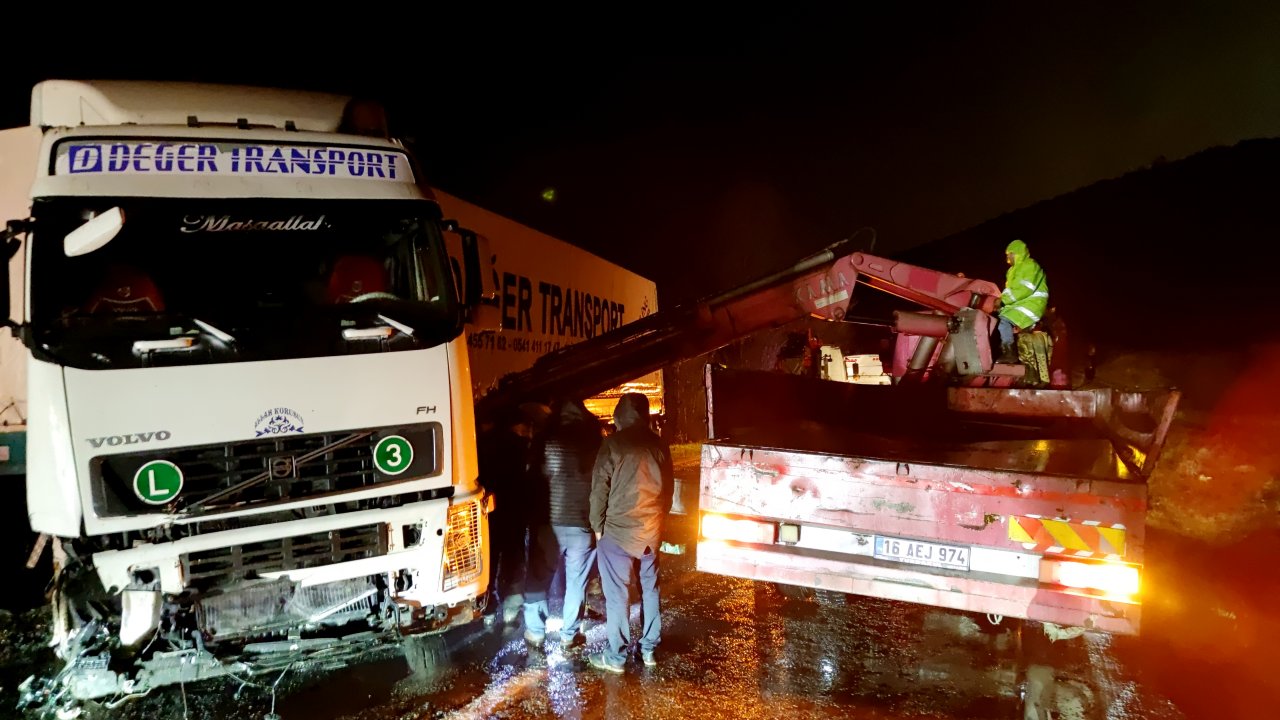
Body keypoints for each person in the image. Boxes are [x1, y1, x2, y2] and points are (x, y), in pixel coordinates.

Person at [587, 393, 674, 673]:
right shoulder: (659, 444)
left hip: (618, 534)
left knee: (617, 595)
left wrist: (597, 526)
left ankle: (616, 657)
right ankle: (649, 650)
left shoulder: (613, 445)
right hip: (651, 532)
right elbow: (668, 490)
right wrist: (658, 521)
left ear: (619, 415)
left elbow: (599, 489)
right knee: (650, 589)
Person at [521, 398, 604, 647]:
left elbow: (532, 480)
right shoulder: (593, 440)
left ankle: (535, 632)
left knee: (539, 578)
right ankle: (569, 635)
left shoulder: (545, 439)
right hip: (582, 522)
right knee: (577, 582)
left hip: (549, 522)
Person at [994, 239, 1049, 362]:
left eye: (1010, 254)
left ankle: (1009, 353)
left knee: (1004, 321)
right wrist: (1001, 303)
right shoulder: (1012, 271)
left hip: (1032, 304)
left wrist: (1003, 301)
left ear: (1017, 254)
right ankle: (1010, 350)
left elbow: (1024, 289)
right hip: (1023, 303)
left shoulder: (1030, 266)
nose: (1008, 258)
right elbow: (1010, 290)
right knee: (1002, 317)